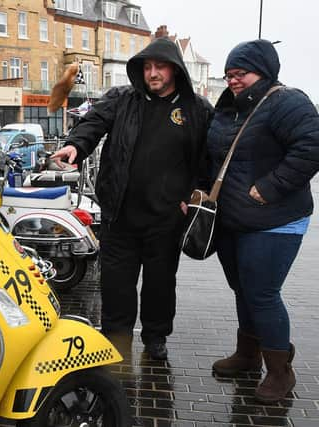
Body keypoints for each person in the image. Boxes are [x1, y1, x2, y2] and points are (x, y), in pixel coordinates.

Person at [51, 38, 213, 360]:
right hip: (119, 215)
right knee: (116, 285)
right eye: (147, 67)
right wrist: (76, 146)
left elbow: (208, 157)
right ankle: (116, 339)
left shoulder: (197, 109)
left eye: (159, 67)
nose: (152, 73)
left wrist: (195, 193)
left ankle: (155, 338)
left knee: (160, 285)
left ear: (175, 68)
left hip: (166, 218)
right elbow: (93, 123)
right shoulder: (122, 99)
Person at [207, 39, 319, 403]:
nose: (233, 81)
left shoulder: (287, 102)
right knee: (244, 290)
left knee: (262, 294)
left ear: (264, 71)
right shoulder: (228, 109)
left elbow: (312, 146)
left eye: (241, 73)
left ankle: (279, 371)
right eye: (228, 75)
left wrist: (269, 187)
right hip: (233, 219)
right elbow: (211, 156)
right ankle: (248, 355)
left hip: (275, 220)